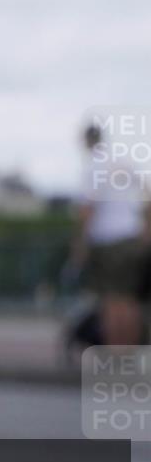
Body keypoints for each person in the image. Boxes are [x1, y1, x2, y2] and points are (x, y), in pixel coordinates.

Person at [71, 124, 151, 346]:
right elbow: (147, 193)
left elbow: (88, 209)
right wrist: (146, 230)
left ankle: (116, 358)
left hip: (109, 242)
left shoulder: (93, 167)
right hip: (132, 239)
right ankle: (132, 356)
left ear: (86, 141)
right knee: (130, 301)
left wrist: (80, 245)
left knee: (112, 303)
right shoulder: (121, 162)